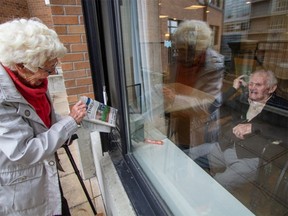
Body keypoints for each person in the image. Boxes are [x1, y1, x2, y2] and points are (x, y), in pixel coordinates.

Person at [0, 18, 87, 215]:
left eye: (54, 65)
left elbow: (42, 117)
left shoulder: (32, 82)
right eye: (48, 68)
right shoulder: (3, 96)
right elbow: (24, 152)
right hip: (22, 190)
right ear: (21, 65)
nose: (52, 72)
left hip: (44, 174)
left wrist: (68, 124)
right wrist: (68, 124)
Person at [189, 69, 288, 190]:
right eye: (251, 84)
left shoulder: (281, 107)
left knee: (217, 183)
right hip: (226, 147)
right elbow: (212, 109)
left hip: (251, 157)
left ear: (271, 89)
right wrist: (233, 89)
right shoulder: (244, 99)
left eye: (258, 84)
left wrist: (255, 127)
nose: (252, 88)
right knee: (191, 154)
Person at [163, 20, 225, 148]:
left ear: (198, 48)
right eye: (178, 49)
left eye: (184, 50)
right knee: (182, 154)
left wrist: (174, 99)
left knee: (201, 161)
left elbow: (209, 105)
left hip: (201, 127)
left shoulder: (213, 65)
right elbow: (173, 86)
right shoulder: (177, 62)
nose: (179, 54)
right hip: (181, 123)